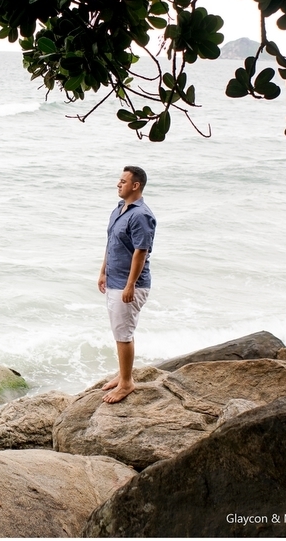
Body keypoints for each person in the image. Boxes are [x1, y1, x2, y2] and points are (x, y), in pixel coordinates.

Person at [97, 166, 156, 403]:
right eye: (119, 180)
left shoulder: (141, 215)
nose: (118, 184)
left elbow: (141, 252)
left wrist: (130, 285)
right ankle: (123, 375)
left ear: (135, 185)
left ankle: (126, 383)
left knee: (123, 333)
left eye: (123, 181)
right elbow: (111, 243)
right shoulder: (119, 209)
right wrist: (103, 272)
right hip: (114, 279)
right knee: (119, 330)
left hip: (129, 284)